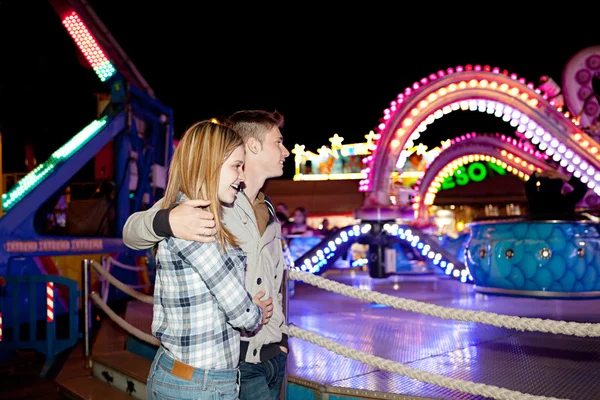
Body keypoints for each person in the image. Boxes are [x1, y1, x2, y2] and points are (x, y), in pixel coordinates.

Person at [123, 110, 291, 400]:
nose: (286, 151)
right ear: (252, 146)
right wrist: (167, 221)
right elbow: (131, 231)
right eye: (278, 141)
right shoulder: (203, 207)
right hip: (226, 363)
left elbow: (275, 284)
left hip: (269, 357)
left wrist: (282, 339)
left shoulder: (269, 211)